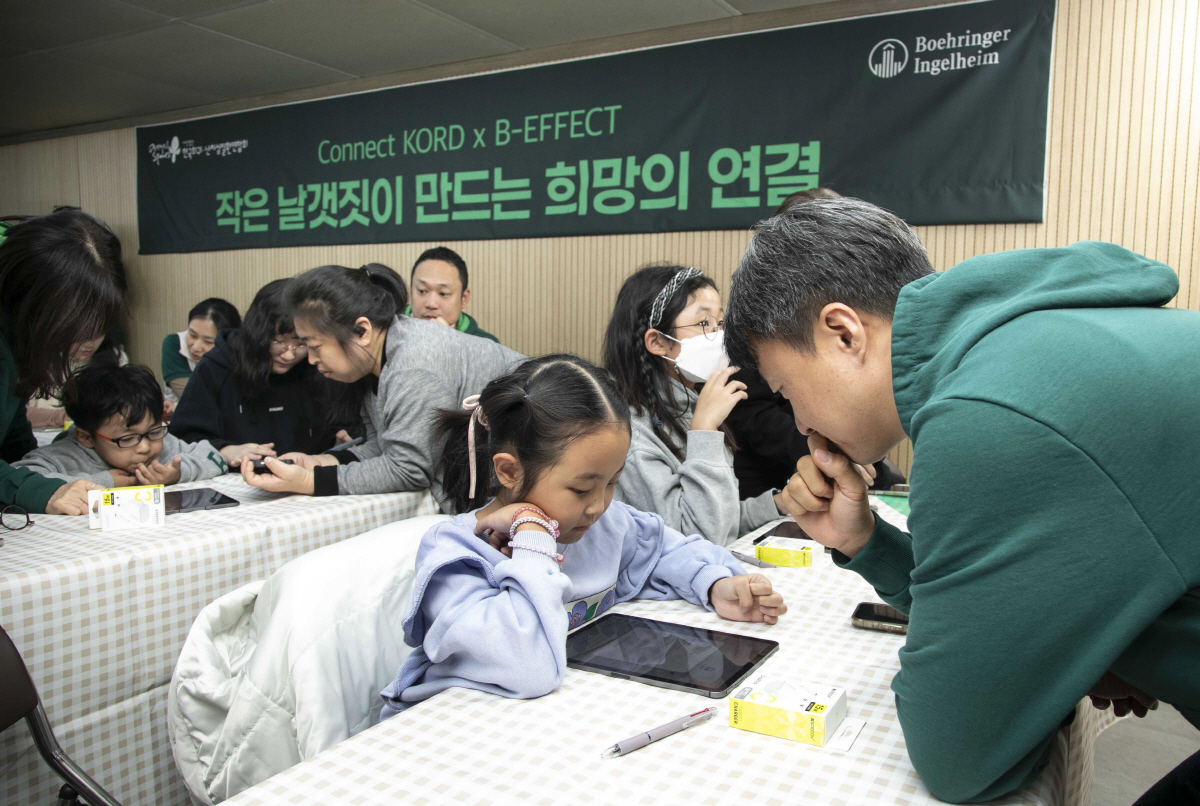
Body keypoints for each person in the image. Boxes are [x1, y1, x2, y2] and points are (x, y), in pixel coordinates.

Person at [723, 197, 1200, 803]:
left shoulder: (986, 415)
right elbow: (994, 612)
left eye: (790, 393)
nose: (804, 424)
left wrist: (1041, 678)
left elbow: (961, 753)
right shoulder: (1034, 339)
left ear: (843, 333)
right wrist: (864, 541)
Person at [378, 355, 787, 717]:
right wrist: (534, 534)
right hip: (449, 737)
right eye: (581, 488)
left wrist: (714, 584)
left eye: (612, 482)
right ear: (508, 471)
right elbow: (530, 666)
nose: (599, 506)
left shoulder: (598, 526)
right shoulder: (459, 554)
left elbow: (663, 549)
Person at [243, 263, 522, 508]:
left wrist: (309, 480)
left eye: (315, 346)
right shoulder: (376, 360)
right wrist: (323, 463)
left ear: (362, 331)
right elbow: (387, 447)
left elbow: (408, 469)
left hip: (527, 483)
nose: (312, 360)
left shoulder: (414, 363)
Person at [601, 264, 784, 546]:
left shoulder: (689, 406)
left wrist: (780, 503)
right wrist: (705, 432)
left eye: (720, 323)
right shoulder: (631, 432)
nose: (720, 336)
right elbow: (694, 539)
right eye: (703, 324)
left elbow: (722, 523)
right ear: (658, 341)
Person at [0, 209, 127, 516]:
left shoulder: (21, 337)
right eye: (77, 323)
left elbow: (14, 437)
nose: (92, 340)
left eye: (101, 323)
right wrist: (39, 489)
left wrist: (36, 471)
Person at [169, 279, 340, 461]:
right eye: (278, 342)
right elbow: (182, 439)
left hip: (307, 480)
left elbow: (345, 427)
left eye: (301, 344)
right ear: (257, 332)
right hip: (234, 481)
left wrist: (341, 440)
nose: (289, 355)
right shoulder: (217, 366)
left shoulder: (318, 366)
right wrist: (225, 451)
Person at [14, 363, 229, 494]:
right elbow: (17, 478)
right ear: (86, 437)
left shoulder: (162, 446)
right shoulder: (67, 455)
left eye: (154, 431)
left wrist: (177, 474)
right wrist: (104, 482)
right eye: (127, 439)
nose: (145, 447)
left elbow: (214, 457)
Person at [403, 247, 499, 342]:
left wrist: (449, 344)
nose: (431, 304)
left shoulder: (486, 344)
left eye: (443, 293)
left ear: (464, 299)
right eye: (422, 291)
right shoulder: (390, 330)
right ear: (411, 292)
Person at [161, 298, 241, 401]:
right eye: (192, 335)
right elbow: (192, 396)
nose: (195, 348)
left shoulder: (237, 353)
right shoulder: (174, 344)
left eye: (208, 341)